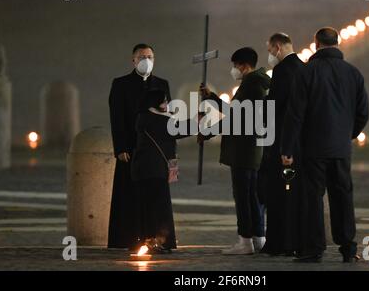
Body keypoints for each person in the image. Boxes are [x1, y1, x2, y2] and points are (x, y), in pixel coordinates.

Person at [281, 27, 369, 263]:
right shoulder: (353, 73)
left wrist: (287, 148)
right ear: (337, 43)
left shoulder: (307, 73)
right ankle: (348, 248)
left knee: (313, 199)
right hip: (341, 149)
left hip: (313, 148)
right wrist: (347, 134)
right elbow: (363, 112)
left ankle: (313, 248)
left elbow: (295, 114)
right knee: (343, 197)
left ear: (316, 43)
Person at [199, 47, 270, 255]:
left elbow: (234, 120)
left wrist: (208, 132)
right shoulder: (258, 83)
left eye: (235, 65)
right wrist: (212, 98)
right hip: (252, 149)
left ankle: (245, 241)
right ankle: (258, 239)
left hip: (242, 150)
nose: (234, 70)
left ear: (244, 65)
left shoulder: (250, 86)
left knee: (243, 196)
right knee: (251, 196)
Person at [108, 43, 171, 249]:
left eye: (150, 56)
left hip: (155, 150)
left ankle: (158, 239)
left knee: (156, 196)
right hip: (131, 149)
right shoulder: (120, 84)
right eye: (142, 56)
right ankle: (129, 239)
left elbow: (167, 118)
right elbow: (117, 118)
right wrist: (120, 147)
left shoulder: (162, 84)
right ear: (133, 60)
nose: (147, 60)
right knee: (130, 195)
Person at [259, 33, 306, 256]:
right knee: (294, 193)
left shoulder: (281, 70)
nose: (270, 55)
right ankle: (294, 241)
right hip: (300, 141)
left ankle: (277, 243)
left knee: (277, 193)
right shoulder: (304, 68)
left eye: (269, 51)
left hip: (281, 140)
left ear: (277, 47)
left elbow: (275, 107)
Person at [131, 89, 193, 254]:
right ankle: (158, 241)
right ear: (155, 103)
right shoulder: (156, 120)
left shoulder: (145, 118)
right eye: (164, 101)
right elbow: (178, 129)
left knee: (148, 207)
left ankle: (148, 240)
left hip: (144, 170)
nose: (167, 104)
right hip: (154, 170)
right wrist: (198, 122)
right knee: (159, 208)